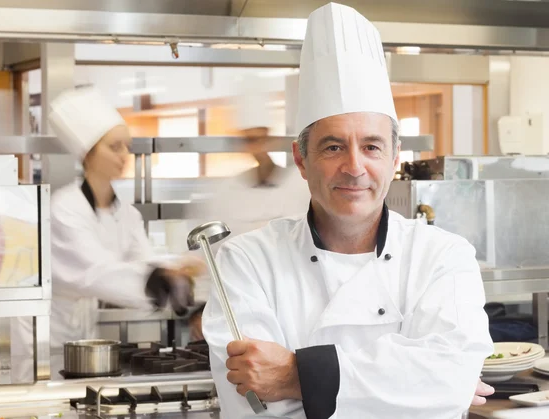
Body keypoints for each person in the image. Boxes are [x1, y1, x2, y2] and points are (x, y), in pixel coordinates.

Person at [202, 3, 494, 419]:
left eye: (372, 146)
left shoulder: (444, 256)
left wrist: (295, 376)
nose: (355, 167)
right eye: (333, 146)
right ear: (301, 160)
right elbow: (257, 407)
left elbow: (453, 377)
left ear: (395, 158)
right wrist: (416, 391)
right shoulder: (246, 263)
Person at [16, 86, 202, 352]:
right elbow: (95, 271)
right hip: (45, 336)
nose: (124, 155)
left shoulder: (127, 213)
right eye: (114, 147)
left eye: (126, 146)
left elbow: (144, 261)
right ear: (87, 154)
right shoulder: (64, 208)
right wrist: (164, 275)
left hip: (83, 335)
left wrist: (177, 271)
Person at [186, 85, 311, 342]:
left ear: (272, 138)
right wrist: (200, 309)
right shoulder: (224, 193)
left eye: (260, 138)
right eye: (250, 139)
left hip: (294, 313)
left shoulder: (301, 188)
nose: (257, 147)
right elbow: (205, 258)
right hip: (235, 315)